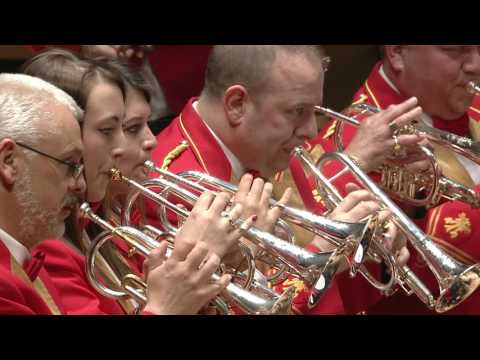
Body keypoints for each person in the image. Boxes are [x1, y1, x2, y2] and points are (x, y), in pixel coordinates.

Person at [150, 45, 411, 314]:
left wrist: (369, 251)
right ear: (237, 104)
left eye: (314, 112)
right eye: (298, 111)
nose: (311, 130)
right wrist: (322, 256)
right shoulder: (170, 190)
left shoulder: (268, 147)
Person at [20, 49, 244, 315]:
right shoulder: (49, 245)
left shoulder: (108, 220)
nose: (120, 147)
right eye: (112, 130)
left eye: (124, 129)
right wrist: (195, 261)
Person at [291, 45, 480, 314]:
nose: (476, 65)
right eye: (455, 50)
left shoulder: (465, 98)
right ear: (397, 53)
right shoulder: (353, 140)